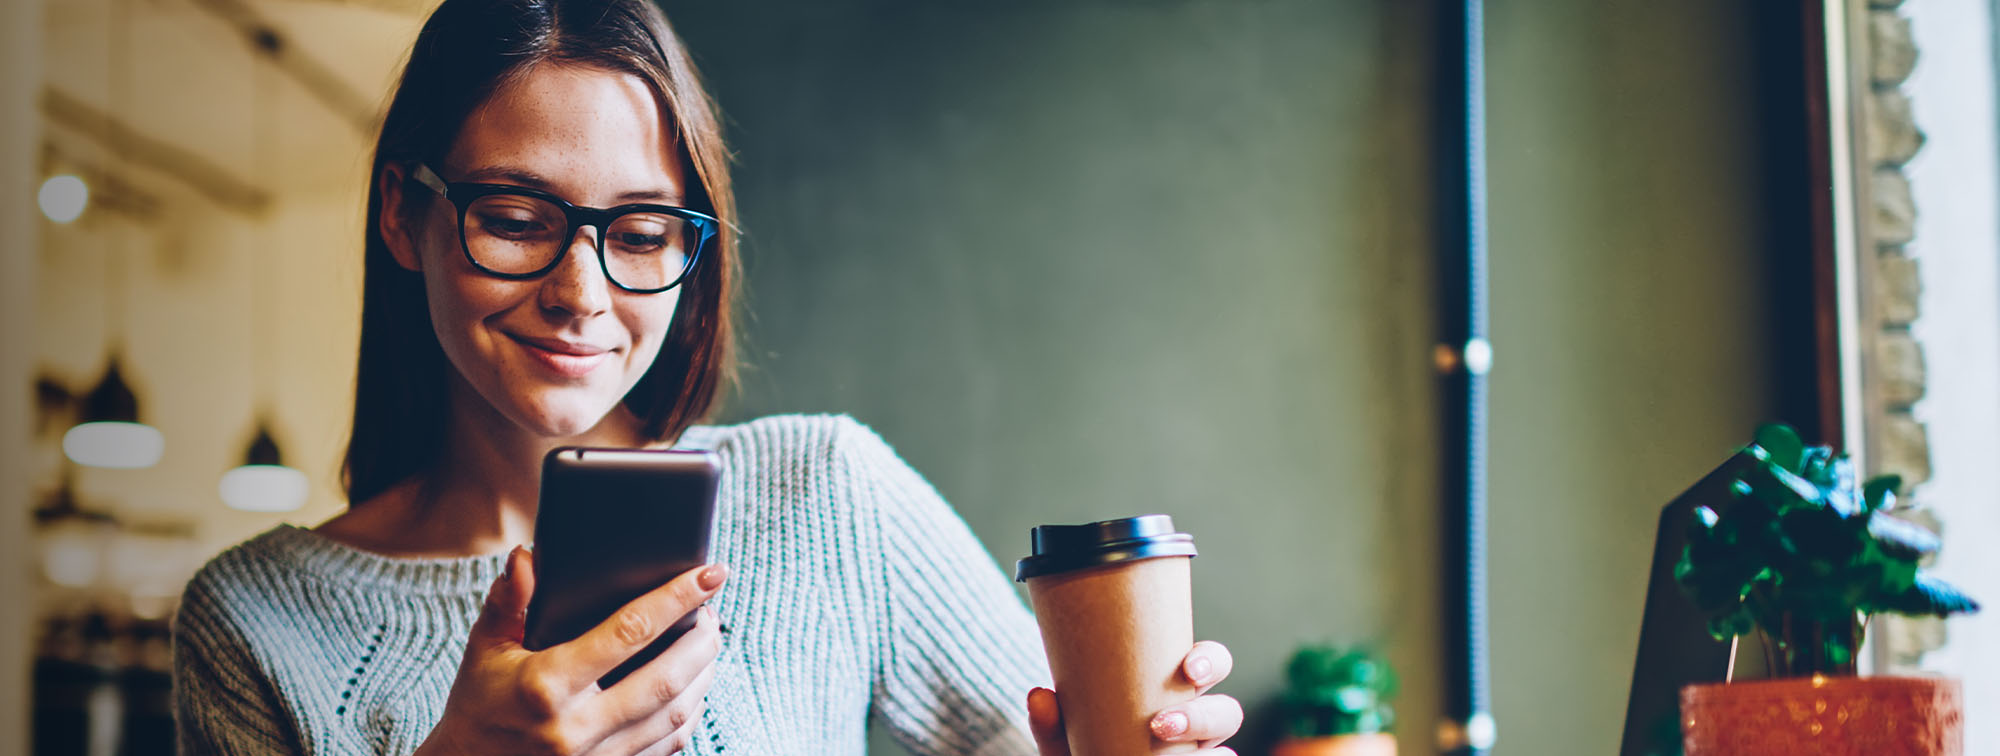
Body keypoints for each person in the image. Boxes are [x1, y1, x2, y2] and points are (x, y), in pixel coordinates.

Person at [168, 0, 1244, 754]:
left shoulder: (826, 495)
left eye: (638, 232)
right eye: (513, 218)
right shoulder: (256, 621)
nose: (581, 293)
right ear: (406, 215)